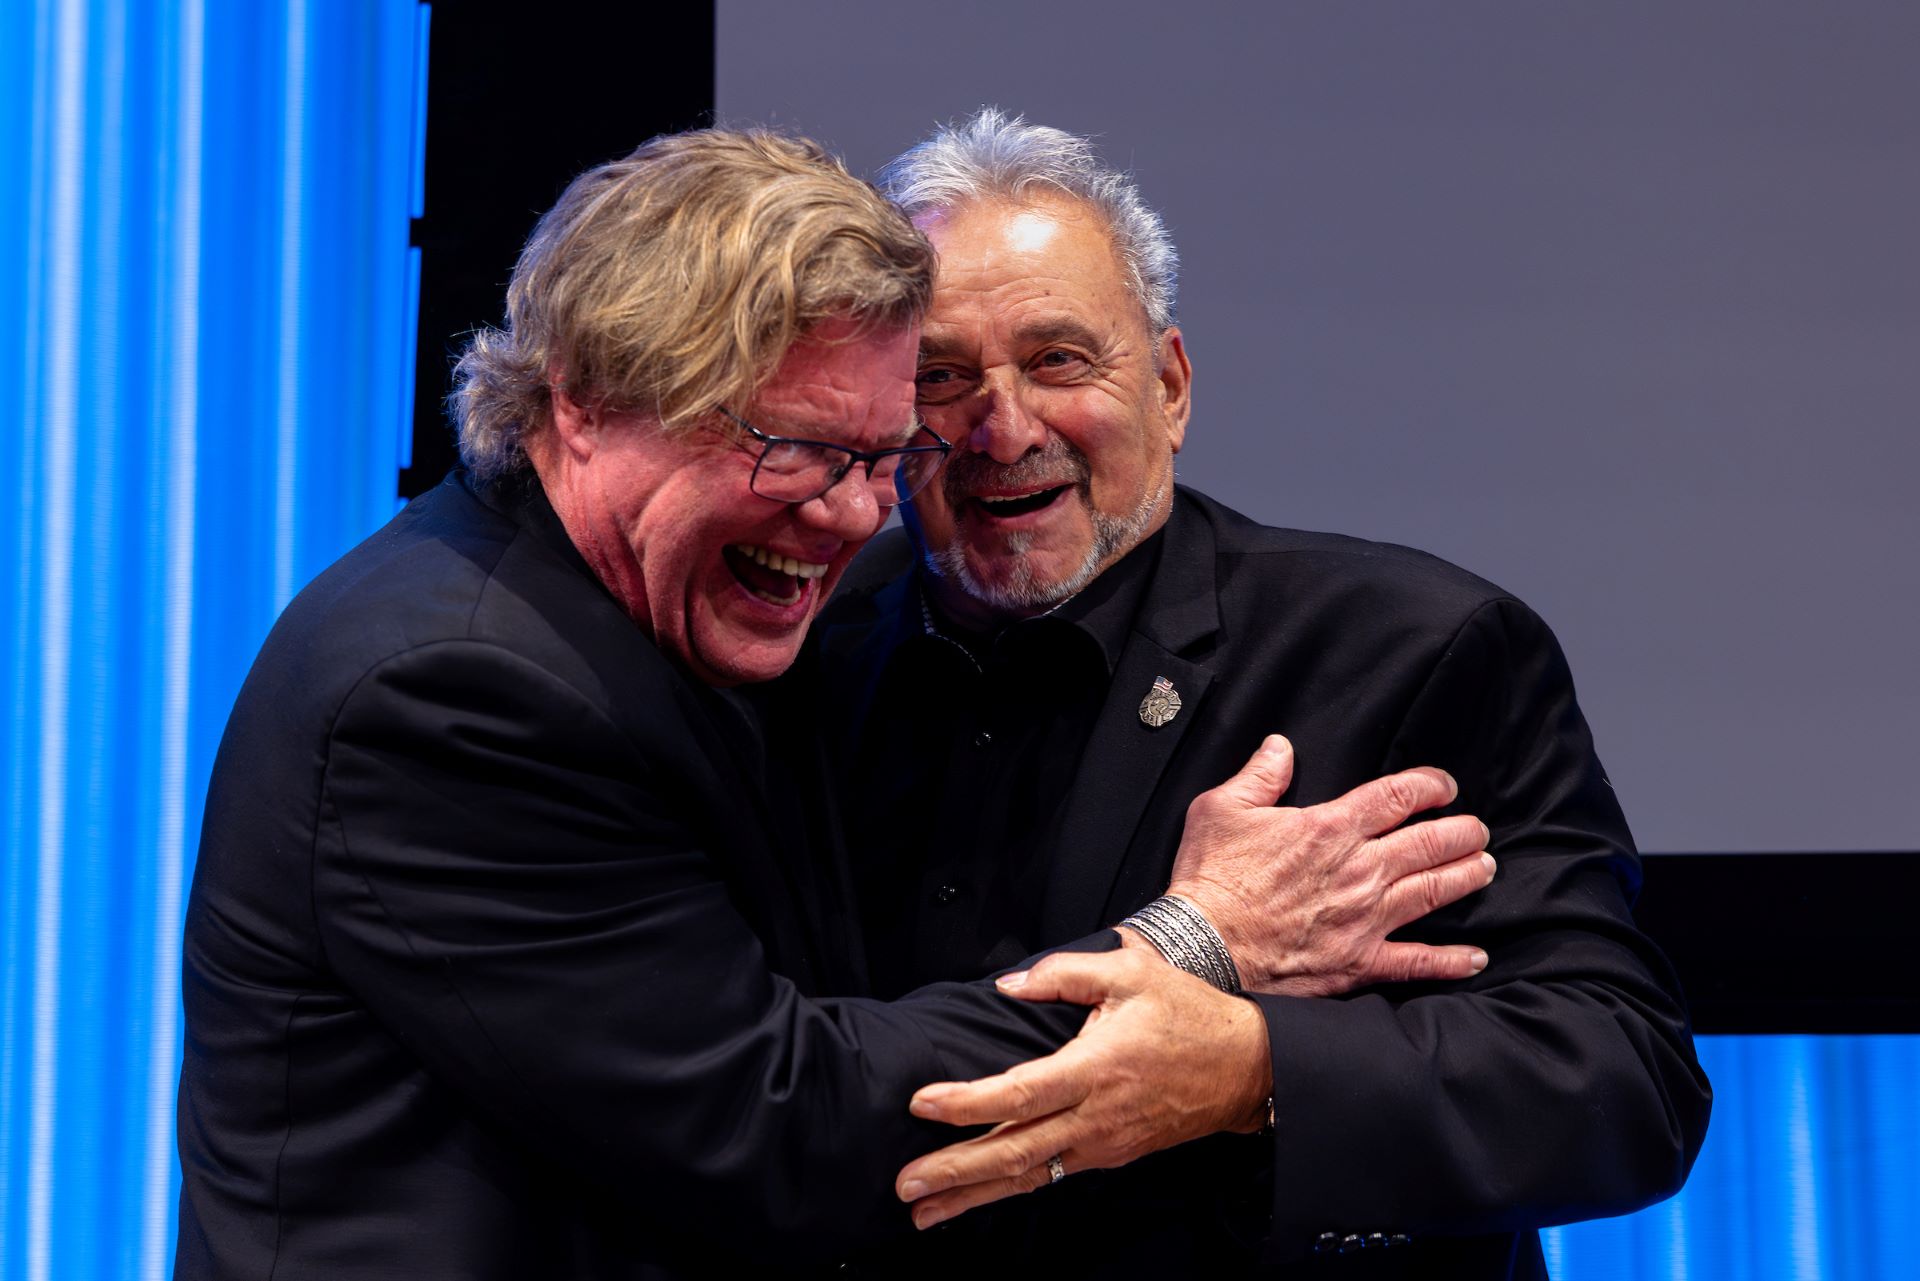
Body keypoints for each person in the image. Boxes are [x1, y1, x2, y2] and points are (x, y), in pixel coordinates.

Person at [175, 127, 1494, 1280]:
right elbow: (781, 1123)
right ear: (581, 403)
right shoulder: (455, 690)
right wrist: (1197, 943)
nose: (857, 511)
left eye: (879, 452)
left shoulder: (647, 613)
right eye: (793, 447)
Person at [805, 110, 1712, 1278]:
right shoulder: (800, 643)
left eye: (1059, 360)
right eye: (940, 377)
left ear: (1172, 388)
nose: (1004, 426)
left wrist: (1249, 1072)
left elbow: (1621, 1079)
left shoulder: (1409, 648)